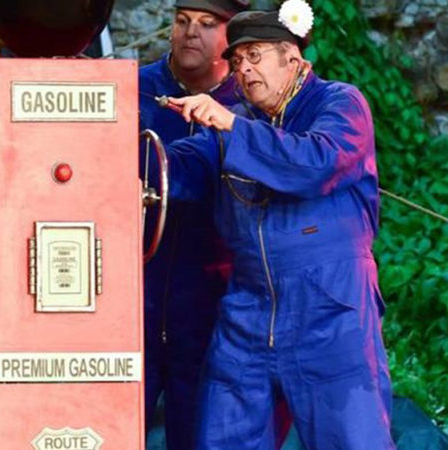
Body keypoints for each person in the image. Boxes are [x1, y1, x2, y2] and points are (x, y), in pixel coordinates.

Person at [159, 1, 395, 448]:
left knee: (351, 440)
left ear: (293, 58)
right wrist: (125, 155)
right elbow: (181, 169)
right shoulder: (240, 121)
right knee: (220, 439)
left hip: (331, 310)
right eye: (236, 61)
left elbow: (316, 162)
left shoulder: (340, 103)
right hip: (246, 310)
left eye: (255, 55)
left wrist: (230, 123)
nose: (243, 69)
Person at [138, 1, 250, 449]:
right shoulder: (134, 90)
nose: (190, 33)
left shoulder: (247, 104)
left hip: (210, 303)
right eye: (182, 21)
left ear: (230, 37)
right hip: (135, 296)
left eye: (206, 25)